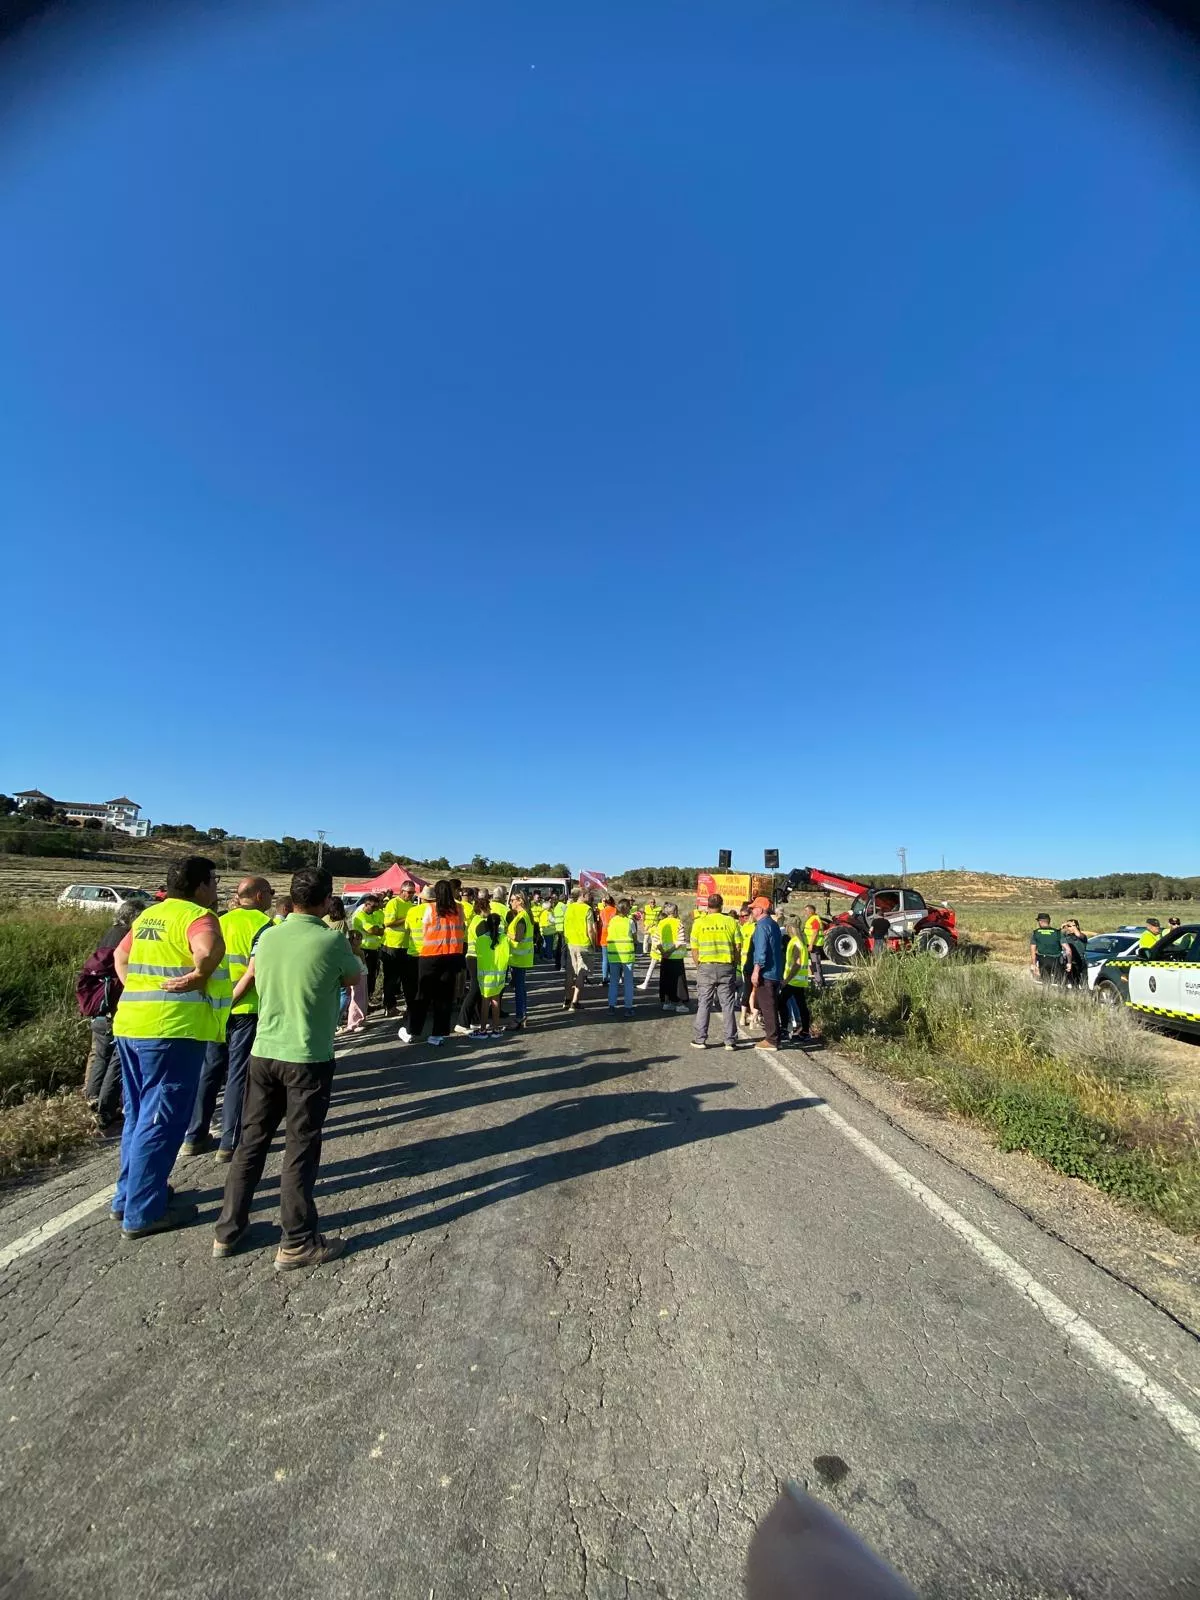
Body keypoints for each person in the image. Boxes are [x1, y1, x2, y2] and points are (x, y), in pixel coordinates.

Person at [212, 866, 362, 1270]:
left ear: (290, 897)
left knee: (252, 1141)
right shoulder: (330, 940)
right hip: (307, 1057)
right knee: (300, 1145)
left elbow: (253, 974)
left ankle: (228, 1229)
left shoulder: (268, 935)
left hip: (263, 1052)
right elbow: (354, 976)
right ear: (328, 900)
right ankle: (296, 1240)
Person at [110, 856, 231, 1238]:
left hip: (130, 1023)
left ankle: (128, 1196)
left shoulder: (148, 916)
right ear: (199, 886)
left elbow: (120, 956)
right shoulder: (198, 916)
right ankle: (144, 1212)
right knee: (162, 1119)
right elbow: (207, 950)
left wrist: (138, 987)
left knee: (137, 1113)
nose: (215, 887)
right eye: (212, 880)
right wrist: (198, 976)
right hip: (171, 1030)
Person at [181, 875, 274, 1161]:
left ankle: (194, 1136)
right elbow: (255, 971)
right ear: (259, 896)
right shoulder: (267, 927)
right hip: (246, 1009)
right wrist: (236, 996)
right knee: (238, 1075)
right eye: (269, 892)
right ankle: (229, 1141)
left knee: (209, 1071)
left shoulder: (217, 921)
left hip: (216, 1007)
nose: (272, 897)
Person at [76, 899, 140, 1132]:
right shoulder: (126, 939)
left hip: (99, 1011)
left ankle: (90, 1104)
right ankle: (105, 1111)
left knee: (100, 1057)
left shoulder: (109, 934)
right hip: (116, 1009)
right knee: (117, 1061)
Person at [398, 880, 465, 1046]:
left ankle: (413, 1031)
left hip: (430, 955)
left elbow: (422, 929)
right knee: (444, 996)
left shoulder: (429, 909)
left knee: (423, 995)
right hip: (452, 955)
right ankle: (438, 1034)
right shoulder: (459, 909)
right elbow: (462, 927)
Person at [689, 893, 742, 1050]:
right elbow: (738, 946)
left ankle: (700, 1039)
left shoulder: (699, 923)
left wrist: (699, 966)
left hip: (706, 965)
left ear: (707, 905)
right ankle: (730, 1041)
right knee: (727, 1004)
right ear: (722, 905)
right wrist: (734, 963)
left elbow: (694, 948)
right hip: (726, 965)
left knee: (704, 1002)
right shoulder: (731, 922)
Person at [326, 897, 367, 1031]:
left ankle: (333, 1020)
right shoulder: (341, 923)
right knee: (345, 993)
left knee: (332, 993)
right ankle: (337, 1021)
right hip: (338, 960)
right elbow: (343, 943)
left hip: (324, 960)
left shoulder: (323, 920)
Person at [749, 896, 784, 1051]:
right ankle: (774, 1036)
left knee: (767, 1006)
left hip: (767, 972)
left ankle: (772, 1039)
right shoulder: (773, 924)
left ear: (761, 909)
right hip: (776, 971)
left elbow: (761, 950)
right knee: (771, 1005)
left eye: (753, 908)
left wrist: (756, 970)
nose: (751, 910)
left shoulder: (762, 926)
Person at [454, 890, 491, 1036]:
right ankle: (461, 1023)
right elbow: (486, 943)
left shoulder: (476, 920)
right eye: (488, 908)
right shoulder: (481, 923)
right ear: (483, 909)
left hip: (473, 957)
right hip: (475, 958)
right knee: (475, 989)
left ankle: (473, 1019)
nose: (490, 911)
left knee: (477, 989)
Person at [380, 879, 416, 1018]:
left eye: (413, 892)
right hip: (392, 945)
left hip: (407, 945)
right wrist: (406, 919)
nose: (412, 895)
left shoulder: (411, 905)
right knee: (391, 979)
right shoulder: (393, 903)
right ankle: (390, 1006)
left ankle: (409, 1007)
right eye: (409, 892)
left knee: (407, 978)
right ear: (402, 891)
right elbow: (388, 923)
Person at [474, 911, 510, 1038]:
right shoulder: (505, 939)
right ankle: (496, 1029)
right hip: (499, 975)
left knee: (485, 1002)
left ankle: (483, 1030)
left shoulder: (480, 940)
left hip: (485, 975)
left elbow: (478, 956)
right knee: (496, 1001)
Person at [562, 888, 596, 1012]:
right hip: (583, 944)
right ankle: (575, 1002)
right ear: (583, 895)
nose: (590, 896)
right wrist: (593, 944)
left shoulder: (569, 908)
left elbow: (565, 924)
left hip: (571, 943)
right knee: (581, 973)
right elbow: (591, 930)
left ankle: (566, 999)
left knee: (570, 973)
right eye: (589, 894)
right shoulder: (587, 909)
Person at [506, 892, 536, 1029]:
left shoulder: (522, 917)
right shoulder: (524, 915)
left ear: (520, 901)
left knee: (519, 989)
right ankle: (522, 1016)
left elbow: (518, 937)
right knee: (520, 988)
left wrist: (506, 933)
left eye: (512, 900)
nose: (510, 902)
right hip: (521, 958)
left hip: (519, 958)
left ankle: (520, 1017)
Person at [351, 892, 385, 1006]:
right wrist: (378, 930)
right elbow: (372, 930)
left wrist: (378, 929)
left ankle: (368, 998)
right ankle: (362, 1001)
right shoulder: (360, 916)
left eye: (376, 906)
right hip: (364, 949)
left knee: (372, 976)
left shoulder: (374, 914)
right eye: (373, 906)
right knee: (365, 976)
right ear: (366, 904)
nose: (375, 909)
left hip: (374, 949)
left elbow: (381, 929)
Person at [782, 919, 813, 1040]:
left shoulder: (795, 943)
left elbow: (797, 964)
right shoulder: (802, 942)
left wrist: (786, 980)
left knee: (780, 1002)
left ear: (790, 928)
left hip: (793, 980)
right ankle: (805, 1032)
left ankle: (785, 1028)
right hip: (801, 980)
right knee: (802, 1006)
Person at [605, 898, 637, 1016]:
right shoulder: (630, 921)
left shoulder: (612, 921)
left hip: (614, 955)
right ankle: (628, 1008)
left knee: (613, 982)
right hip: (627, 955)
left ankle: (611, 1007)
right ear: (628, 908)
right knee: (628, 982)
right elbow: (634, 937)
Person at [656, 902, 689, 1013]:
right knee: (679, 981)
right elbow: (680, 942)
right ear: (675, 912)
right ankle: (680, 1004)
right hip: (676, 956)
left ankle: (667, 1002)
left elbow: (656, 941)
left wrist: (663, 952)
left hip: (665, 957)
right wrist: (670, 952)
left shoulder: (661, 923)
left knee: (666, 979)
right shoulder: (678, 923)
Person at [1029, 914, 1063, 983]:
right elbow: (1066, 948)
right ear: (1049, 921)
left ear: (1040, 922)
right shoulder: (1057, 932)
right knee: (1059, 981)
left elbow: (1033, 950)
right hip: (1056, 960)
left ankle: (1046, 992)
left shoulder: (1036, 933)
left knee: (1045, 981)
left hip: (1043, 960)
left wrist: (1034, 964)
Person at [1061, 918, 1088, 990]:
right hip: (1070, 961)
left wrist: (1073, 926)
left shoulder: (1082, 936)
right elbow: (1058, 935)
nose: (1068, 927)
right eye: (1068, 926)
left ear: (1077, 926)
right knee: (1073, 982)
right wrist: (1063, 927)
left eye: (1070, 926)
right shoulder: (1066, 937)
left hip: (1081, 961)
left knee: (1083, 982)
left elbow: (1078, 934)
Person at [802, 904, 825, 989]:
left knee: (815, 964)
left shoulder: (814, 920)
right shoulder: (813, 919)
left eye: (806, 911)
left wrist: (811, 944)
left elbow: (815, 932)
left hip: (814, 945)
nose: (805, 912)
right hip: (814, 944)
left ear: (811, 911)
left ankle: (819, 982)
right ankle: (821, 981)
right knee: (815, 963)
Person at [598, 895, 617, 982]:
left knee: (605, 959)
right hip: (614, 937)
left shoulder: (602, 911)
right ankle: (613, 977)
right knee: (613, 959)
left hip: (604, 936)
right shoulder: (616, 911)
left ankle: (604, 978)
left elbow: (600, 924)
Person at [550, 891, 566, 970]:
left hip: (557, 929)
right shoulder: (564, 906)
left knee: (558, 948)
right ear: (564, 900)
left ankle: (557, 964)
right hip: (563, 929)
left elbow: (552, 919)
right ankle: (563, 965)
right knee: (563, 949)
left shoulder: (556, 907)